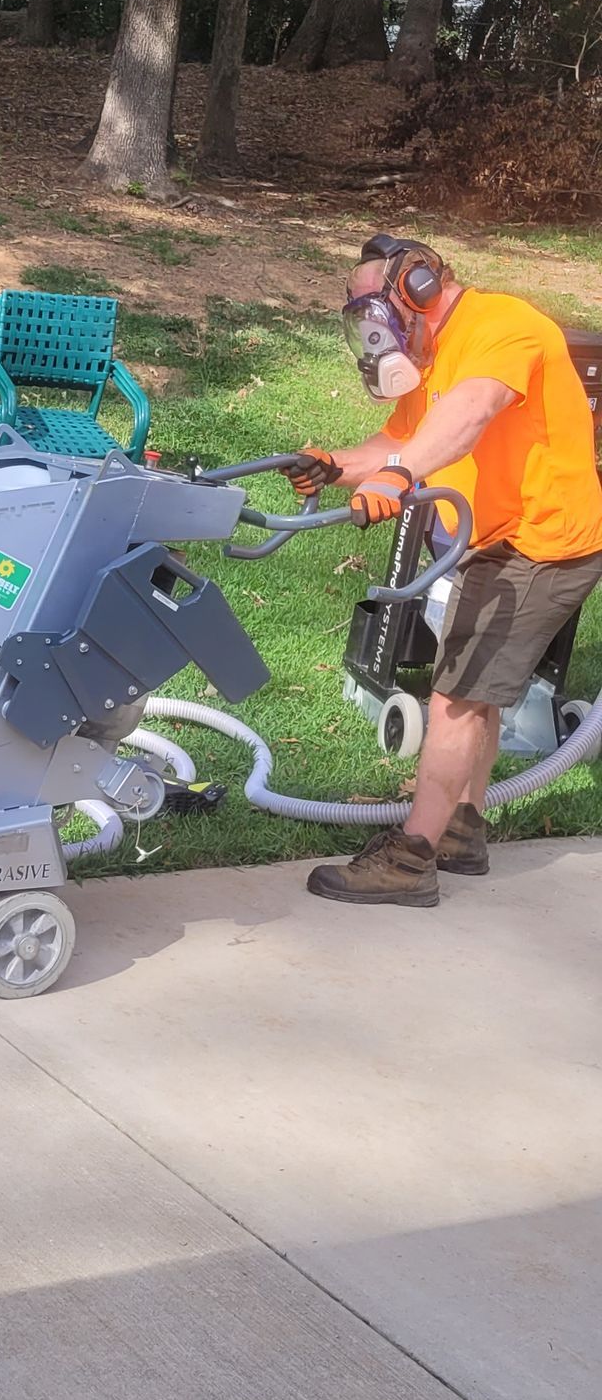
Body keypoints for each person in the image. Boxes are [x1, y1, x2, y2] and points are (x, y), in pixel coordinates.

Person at [290, 235, 602, 907]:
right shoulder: (431, 354)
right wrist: (337, 465)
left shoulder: (504, 327)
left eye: (374, 311)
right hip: (498, 540)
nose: (372, 333)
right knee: (474, 688)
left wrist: (402, 476)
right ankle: (462, 828)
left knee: (456, 697)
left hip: (543, 543)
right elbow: (401, 437)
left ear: (419, 288)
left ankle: (412, 859)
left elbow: (469, 414)